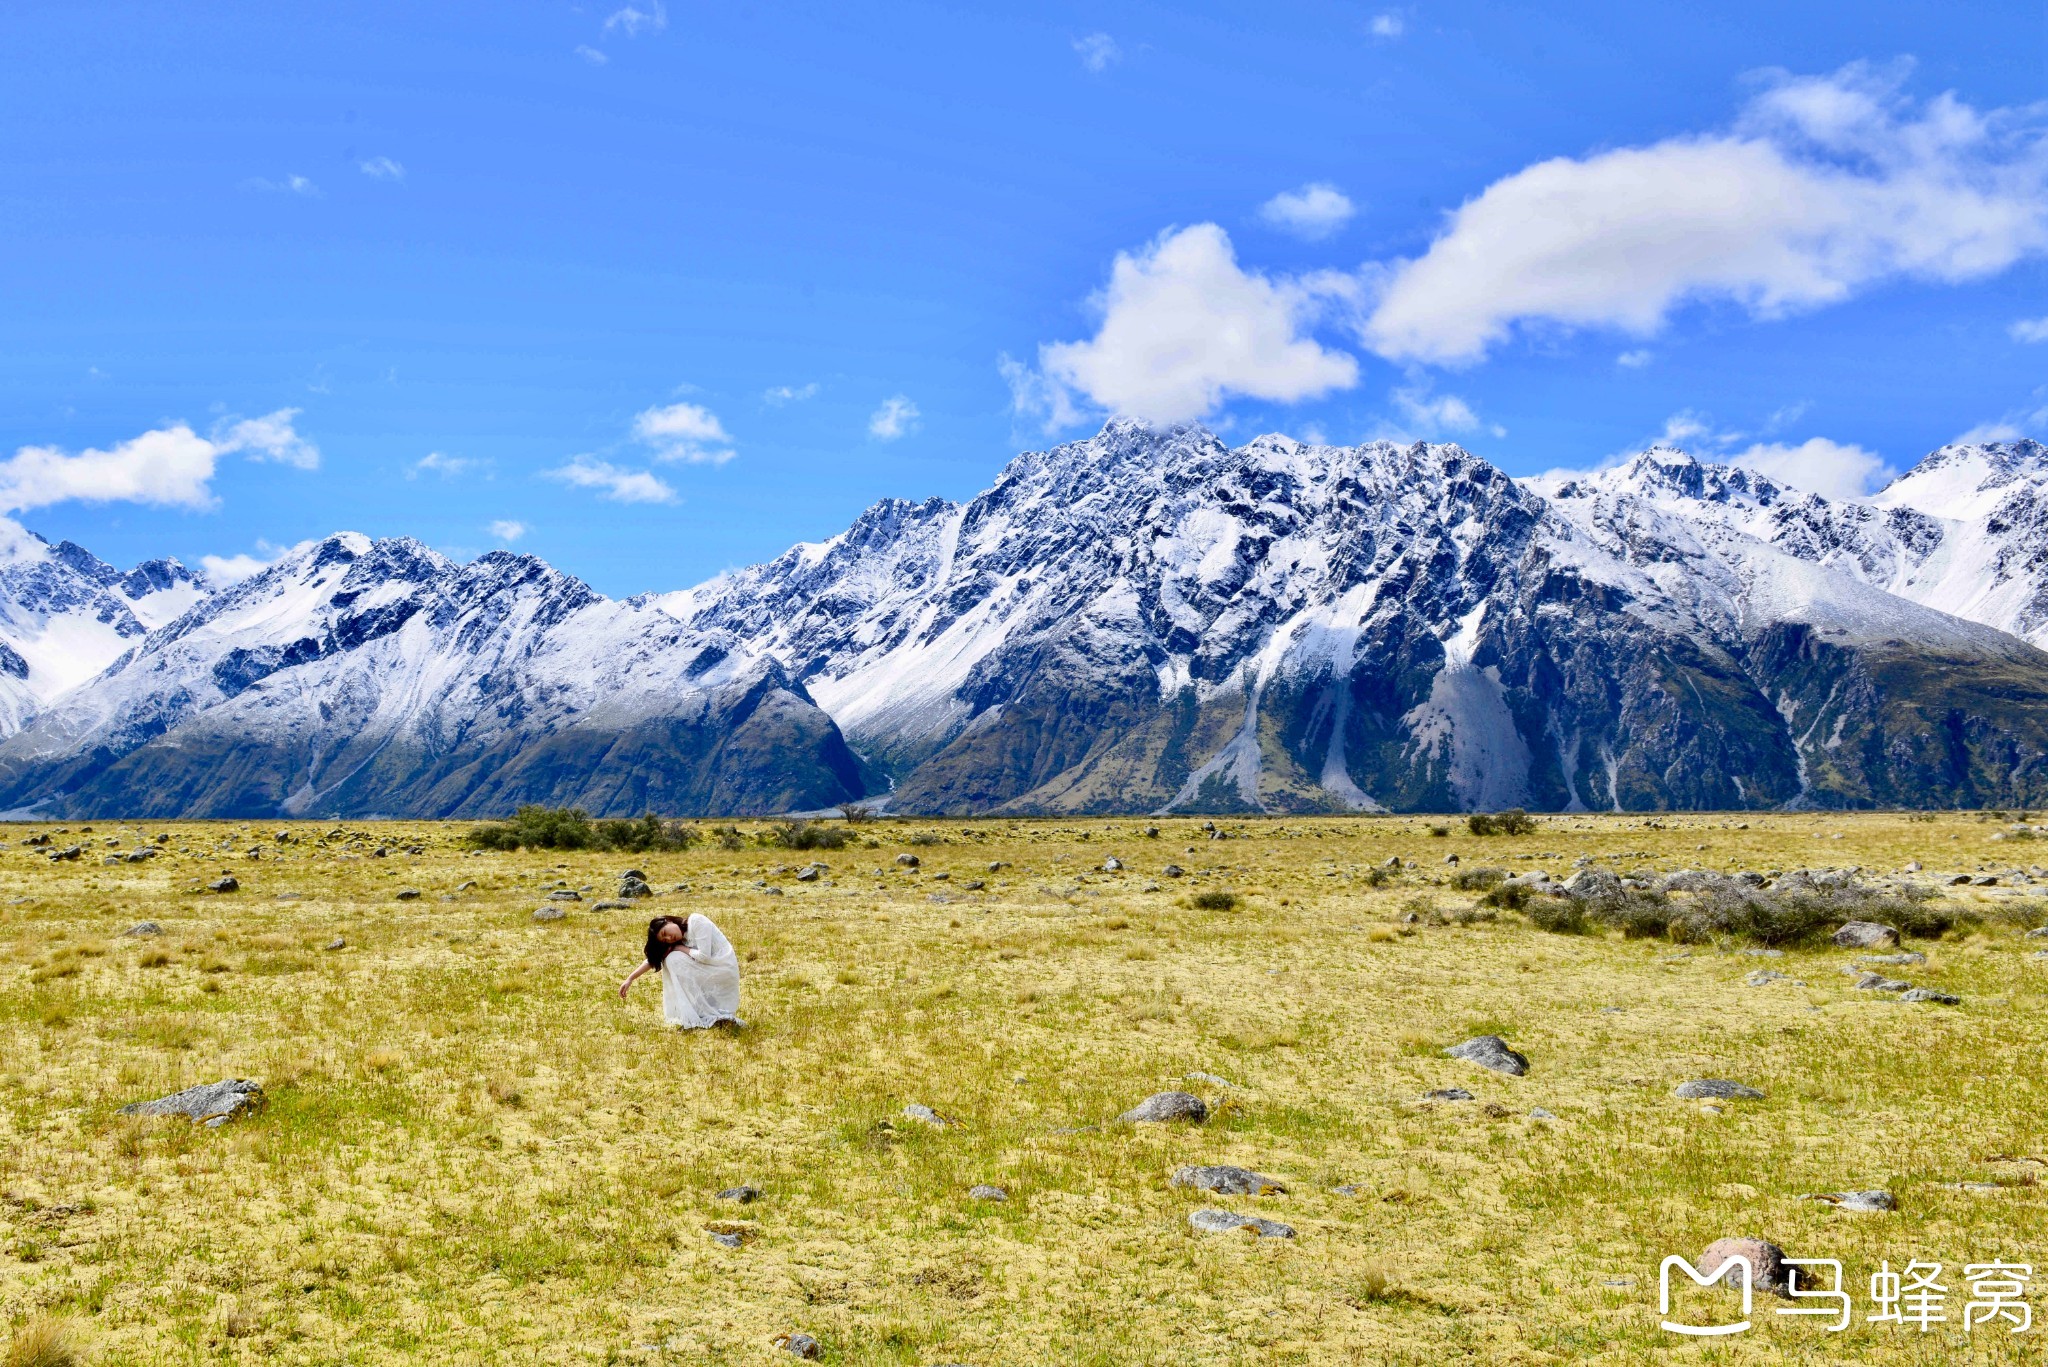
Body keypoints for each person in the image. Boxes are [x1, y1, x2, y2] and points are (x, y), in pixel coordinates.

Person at [618, 913, 742, 1028]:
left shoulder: (697, 921)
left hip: (723, 969)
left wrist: (681, 948)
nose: (669, 937)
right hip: (710, 970)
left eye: (665, 932)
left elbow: (705, 956)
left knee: (673, 957)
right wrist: (630, 978)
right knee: (670, 958)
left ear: (668, 921)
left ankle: (704, 1013)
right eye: (665, 940)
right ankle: (695, 1013)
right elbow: (653, 960)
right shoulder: (679, 940)